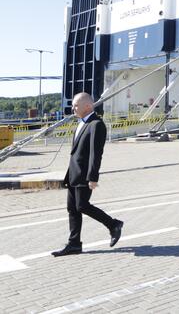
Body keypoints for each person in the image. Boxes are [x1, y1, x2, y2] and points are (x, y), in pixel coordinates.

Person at [51, 93, 123, 257]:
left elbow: (95, 154)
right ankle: (74, 244)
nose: (73, 108)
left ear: (87, 106)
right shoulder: (81, 123)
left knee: (82, 206)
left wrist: (93, 177)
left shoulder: (96, 124)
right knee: (72, 209)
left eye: (76, 105)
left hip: (84, 175)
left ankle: (113, 225)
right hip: (73, 174)